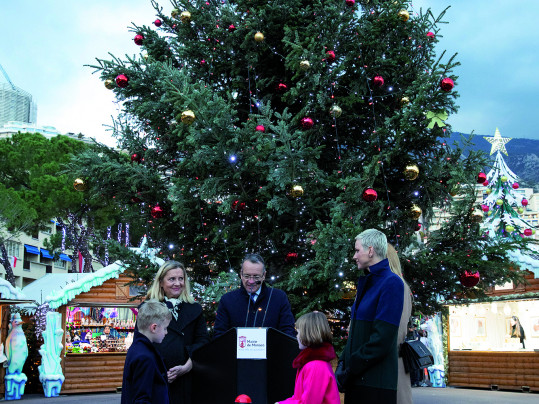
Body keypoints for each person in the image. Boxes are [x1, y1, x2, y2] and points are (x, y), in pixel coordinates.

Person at [338, 229, 404, 404]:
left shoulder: (391, 283)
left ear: (371, 250)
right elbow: (356, 334)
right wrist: (343, 363)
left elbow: (382, 339)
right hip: (359, 380)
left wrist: (351, 368)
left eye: (357, 250)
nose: (354, 256)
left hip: (375, 384)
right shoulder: (369, 282)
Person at [144, 261, 210, 404]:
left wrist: (187, 367)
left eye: (181, 279)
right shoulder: (148, 309)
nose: (177, 283)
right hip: (158, 379)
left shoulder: (195, 309)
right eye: (172, 279)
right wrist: (160, 373)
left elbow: (202, 341)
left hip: (188, 380)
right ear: (161, 282)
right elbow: (143, 344)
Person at [214, 253, 295, 338]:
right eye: (247, 276)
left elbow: (288, 332)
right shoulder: (227, 300)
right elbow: (219, 335)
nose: (251, 281)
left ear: (264, 275)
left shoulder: (279, 298)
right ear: (241, 274)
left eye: (256, 277)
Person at [276, 312, 340, 404]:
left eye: (298, 332)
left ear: (309, 334)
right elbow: (298, 397)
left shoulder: (315, 366)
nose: (296, 336)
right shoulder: (312, 363)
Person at [121, 300, 171, 404]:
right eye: (165, 328)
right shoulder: (145, 356)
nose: (166, 332)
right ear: (154, 327)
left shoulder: (137, 348)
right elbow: (141, 398)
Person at [387, 244, 413, 404]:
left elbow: (396, 329)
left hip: (392, 359)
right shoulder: (400, 285)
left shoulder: (395, 286)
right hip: (395, 359)